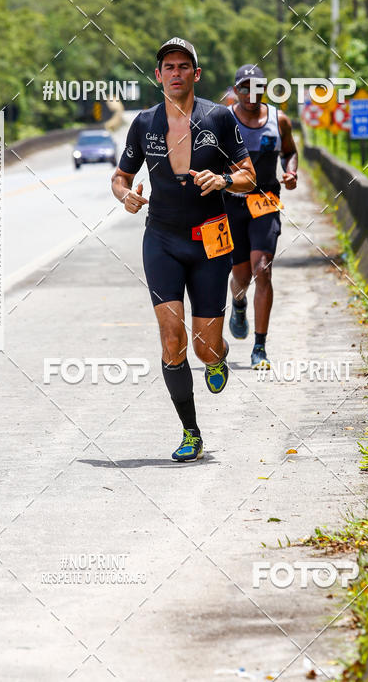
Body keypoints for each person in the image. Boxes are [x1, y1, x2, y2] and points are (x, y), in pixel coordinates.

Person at [111, 38, 256, 462]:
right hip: (161, 239)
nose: (175, 73)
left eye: (183, 66)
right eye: (168, 67)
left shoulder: (220, 118)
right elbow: (120, 177)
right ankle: (191, 432)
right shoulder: (144, 123)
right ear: (158, 76)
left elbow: (248, 176)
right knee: (171, 341)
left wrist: (225, 181)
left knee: (203, 347)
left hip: (210, 239)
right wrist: (125, 196)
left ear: (196, 74)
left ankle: (219, 356)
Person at [224, 64, 298, 369]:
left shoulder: (279, 120)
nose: (250, 94)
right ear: (235, 90)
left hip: (266, 201)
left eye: (257, 87)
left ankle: (260, 347)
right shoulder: (223, 120)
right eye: (244, 87)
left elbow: (290, 152)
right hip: (232, 203)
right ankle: (239, 303)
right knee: (240, 276)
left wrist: (290, 172)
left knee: (262, 269)